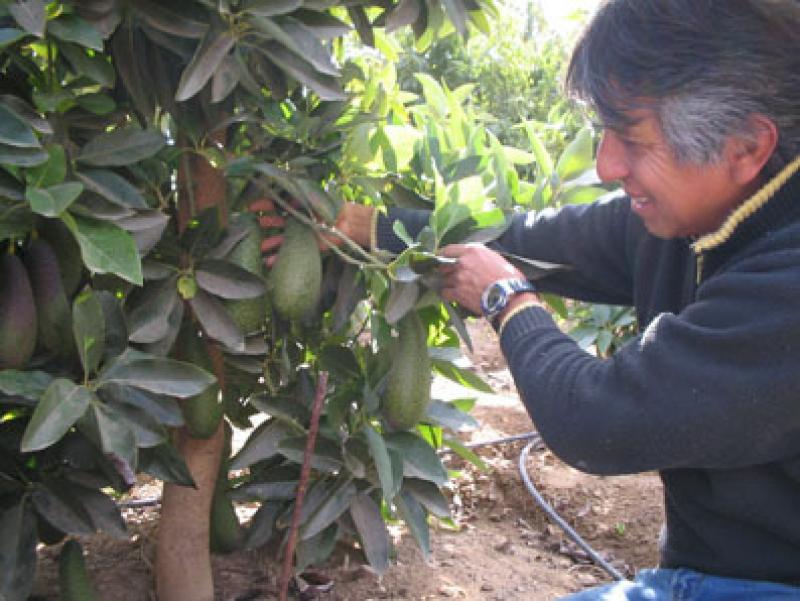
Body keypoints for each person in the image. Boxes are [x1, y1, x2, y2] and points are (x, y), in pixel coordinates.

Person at [258, 1, 800, 598]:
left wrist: (508, 300)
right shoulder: (689, 214)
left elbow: (600, 421)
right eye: (604, 135)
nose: (605, 165)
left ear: (746, 147)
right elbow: (524, 238)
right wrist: (370, 227)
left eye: (632, 139)